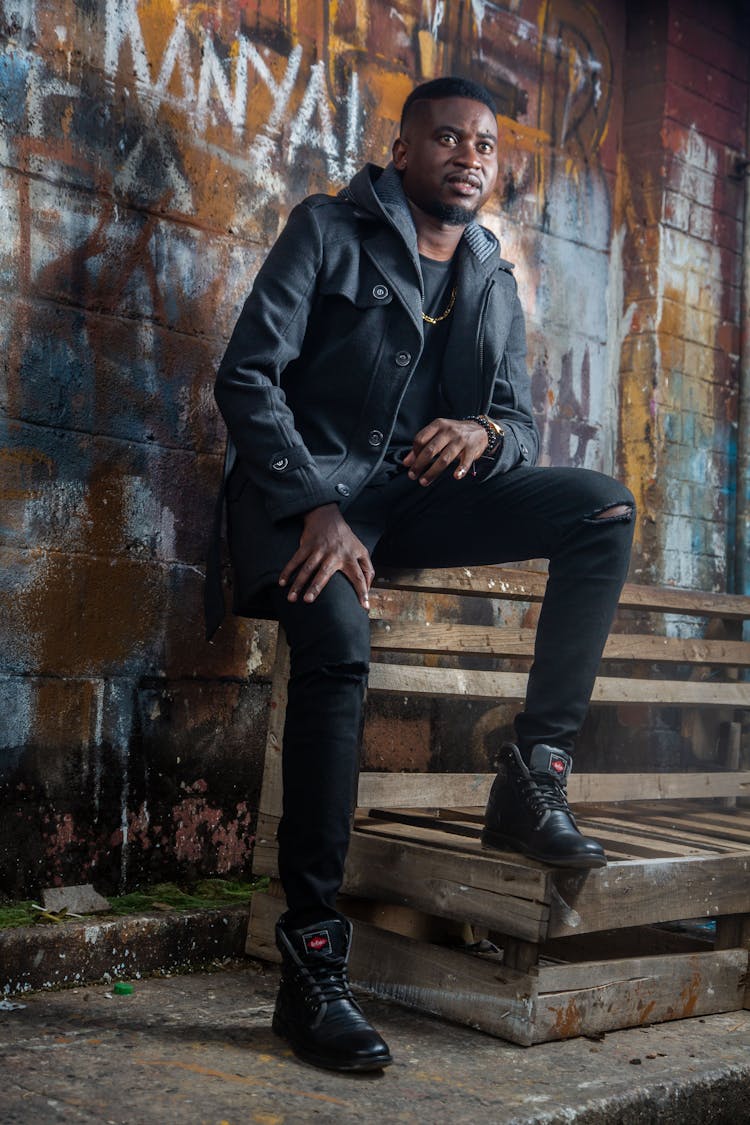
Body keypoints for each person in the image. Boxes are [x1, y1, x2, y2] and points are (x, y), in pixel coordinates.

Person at [208, 76, 635, 1073]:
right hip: (301, 505)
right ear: (403, 152)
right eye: (448, 138)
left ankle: (534, 777)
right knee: (338, 645)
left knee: (602, 507)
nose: (470, 157)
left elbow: (522, 428)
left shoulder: (489, 272)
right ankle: (311, 968)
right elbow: (247, 375)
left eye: (485, 145)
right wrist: (315, 507)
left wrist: (481, 433)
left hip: (407, 505)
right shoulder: (327, 229)